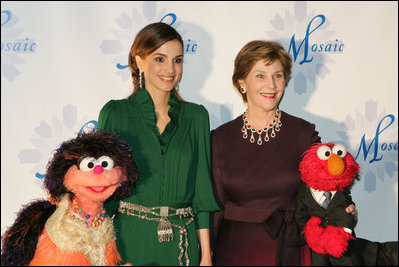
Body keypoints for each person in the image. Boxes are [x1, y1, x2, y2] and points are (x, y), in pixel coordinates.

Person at [211, 40, 357, 266]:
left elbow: (328, 185)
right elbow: (213, 206)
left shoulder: (303, 133)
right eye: (260, 75)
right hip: (235, 251)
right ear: (242, 83)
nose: (271, 84)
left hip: (291, 249)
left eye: (277, 75)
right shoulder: (219, 139)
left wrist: (344, 209)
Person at [97, 22, 219, 266]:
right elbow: (100, 192)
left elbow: (201, 193)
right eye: (160, 59)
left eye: (177, 60)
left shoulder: (196, 117)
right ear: (140, 61)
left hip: (181, 248)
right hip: (129, 243)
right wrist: (106, 255)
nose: (170, 69)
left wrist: (206, 256)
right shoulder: (114, 114)